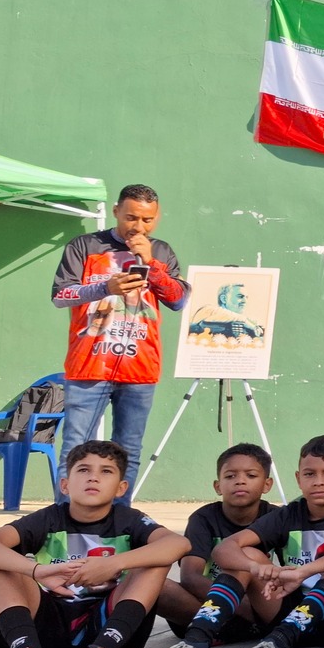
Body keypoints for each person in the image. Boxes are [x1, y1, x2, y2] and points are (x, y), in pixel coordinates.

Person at [152, 436, 324, 648]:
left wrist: (303, 572)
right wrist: (256, 567)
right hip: (284, 611)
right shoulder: (287, 514)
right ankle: (195, 644)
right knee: (246, 555)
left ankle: (275, 646)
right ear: (298, 478)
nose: (319, 481)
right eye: (310, 474)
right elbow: (226, 548)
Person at [0, 439, 188, 648]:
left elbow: (179, 543)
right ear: (65, 484)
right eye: (84, 470)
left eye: (106, 471)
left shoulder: (129, 520)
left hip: (110, 629)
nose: (93, 478)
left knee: (155, 560)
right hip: (47, 628)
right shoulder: (48, 518)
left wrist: (114, 564)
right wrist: (37, 570)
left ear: (121, 488)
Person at [51, 184, 192, 500]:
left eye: (147, 220)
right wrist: (105, 288)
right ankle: (63, 523)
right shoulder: (84, 246)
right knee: (76, 447)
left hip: (140, 369)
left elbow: (179, 299)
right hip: (89, 366)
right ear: (116, 212)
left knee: (128, 448)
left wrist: (151, 264)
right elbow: (61, 295)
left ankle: (118, 521)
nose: (138, 227)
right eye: (131, 218)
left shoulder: (162, 251)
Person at [156, 443, 278, 638]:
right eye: (230, 476)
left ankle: (228, 632)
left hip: (258, 603)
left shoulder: (275, 517)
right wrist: (236, 605)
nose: (240, 481)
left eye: (251, 475)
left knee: (243, 558)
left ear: (267, 484)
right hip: (209, 604)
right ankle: (237, 629)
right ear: (217, 486)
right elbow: (190, 577)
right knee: (157, 586)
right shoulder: (203, 519)